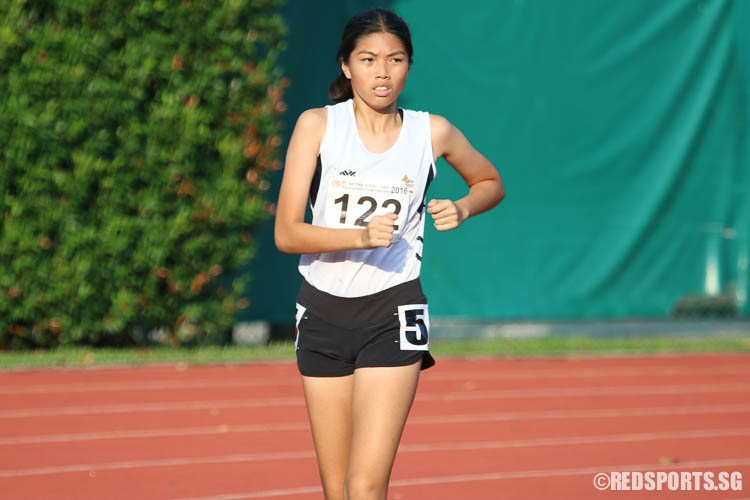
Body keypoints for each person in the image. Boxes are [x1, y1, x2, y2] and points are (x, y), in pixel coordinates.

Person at [274, 7, 504, 500]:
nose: (382, 72)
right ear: (345, 65)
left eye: (395, 59)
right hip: (322, 310)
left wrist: (462, 208)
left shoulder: (431, 132)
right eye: (369, 59)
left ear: (409, 65)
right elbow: (287, 234)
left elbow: (490, 181)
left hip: (392, 309)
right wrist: (358, 235)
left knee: (365, 486)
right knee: (337, 491)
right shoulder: (317, 126)